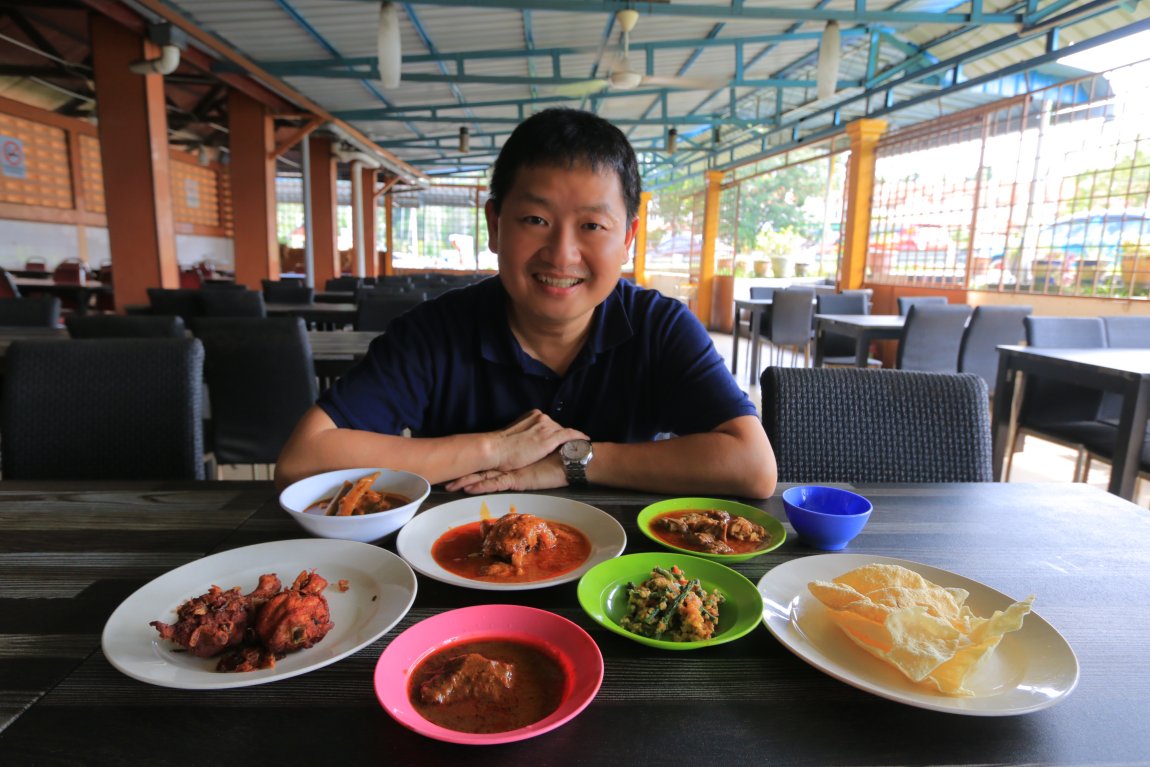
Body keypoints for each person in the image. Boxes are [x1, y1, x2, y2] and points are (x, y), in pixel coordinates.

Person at [275, 108, 776, 498]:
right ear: (495, 225)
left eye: (592, 226)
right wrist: (495, 447)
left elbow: (753, 468)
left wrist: (573, 460)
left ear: (628, 240)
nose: (562, 253)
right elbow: (303, 460)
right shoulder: (434, 331)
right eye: (535, 219)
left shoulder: (659, 326)